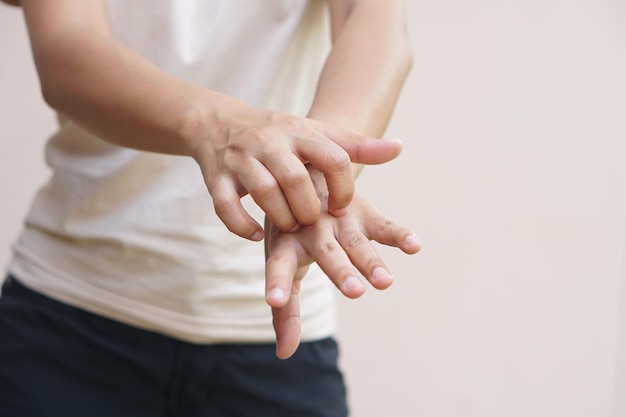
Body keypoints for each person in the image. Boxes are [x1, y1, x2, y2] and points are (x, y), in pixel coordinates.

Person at [0, 0, 420, 416]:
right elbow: (66, 44)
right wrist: (219, 125)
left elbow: (372, 17)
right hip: (68, 322)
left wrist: (321, 164)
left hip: (273, 345)